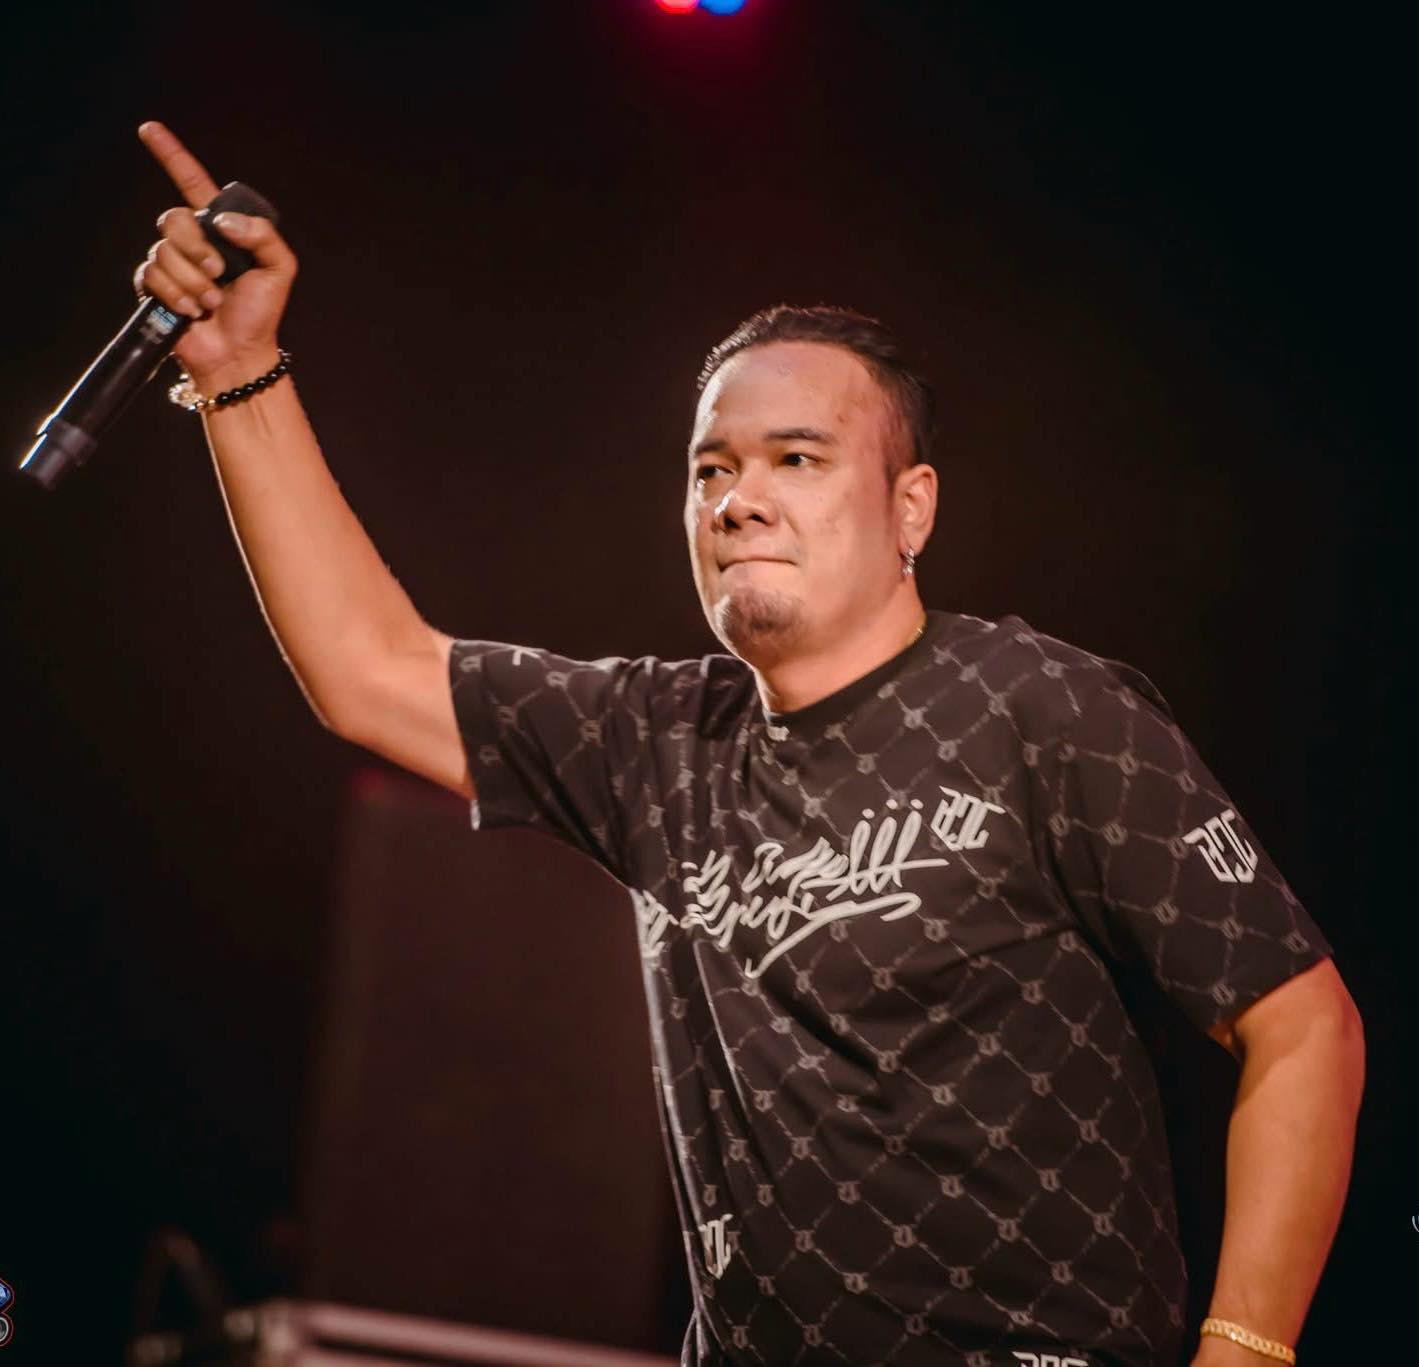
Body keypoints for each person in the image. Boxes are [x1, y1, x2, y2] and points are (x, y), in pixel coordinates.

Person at [132, 122, 1365, 1367]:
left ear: (912, 507)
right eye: (710, 468)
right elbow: (370, 668)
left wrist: (1243, 1351)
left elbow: (1303, 1025)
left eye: (797, 458)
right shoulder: (658, 744)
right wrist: (239, 370)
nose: (739, 498)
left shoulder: (1043, 707)